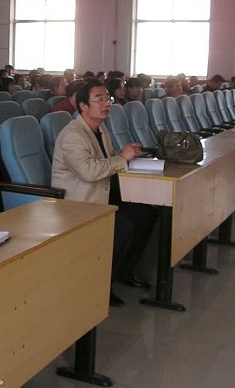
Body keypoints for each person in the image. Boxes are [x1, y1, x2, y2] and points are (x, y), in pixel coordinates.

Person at [51, 80, 157, 307]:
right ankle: (102, 283)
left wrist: (124, 154)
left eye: (107, 98)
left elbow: (106, 160)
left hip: (100, 193)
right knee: (125, 224)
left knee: (146, 214)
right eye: (99, 99)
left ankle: (124, 271)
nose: (107, 103)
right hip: (78, 202)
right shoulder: (72, 135)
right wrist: (121, 158)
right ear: (83, 106)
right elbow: (88, 171)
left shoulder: (100, 128)